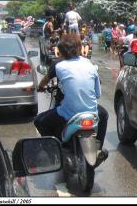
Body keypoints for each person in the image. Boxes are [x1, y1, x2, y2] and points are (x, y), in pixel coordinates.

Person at [34, 33, 108, 167]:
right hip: (91, 111)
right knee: (104, 114)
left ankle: (55, 151)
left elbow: (45, 79)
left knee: (39, 121)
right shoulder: (88, 63)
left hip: (68, 112)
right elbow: (97, 94)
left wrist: (40, 87)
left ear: (61, 51)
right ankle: (98, 149)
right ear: (79, 48)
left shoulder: (59, 66)